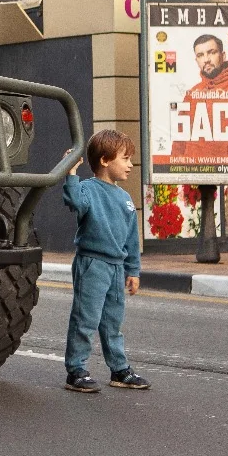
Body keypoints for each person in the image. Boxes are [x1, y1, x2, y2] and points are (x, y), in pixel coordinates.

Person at [62, 129, 150, 393]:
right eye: (125, 158)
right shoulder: (88, 189)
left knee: (113, 321)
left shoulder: (125, 199)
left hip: (116, 267)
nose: (131, 165)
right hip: (92, 264)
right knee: (85, 318)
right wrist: (71, 174)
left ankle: (119, 369)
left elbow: (131, 239)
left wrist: (133, 270)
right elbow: (74, 201)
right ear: (105, 160)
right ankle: (76, 370)